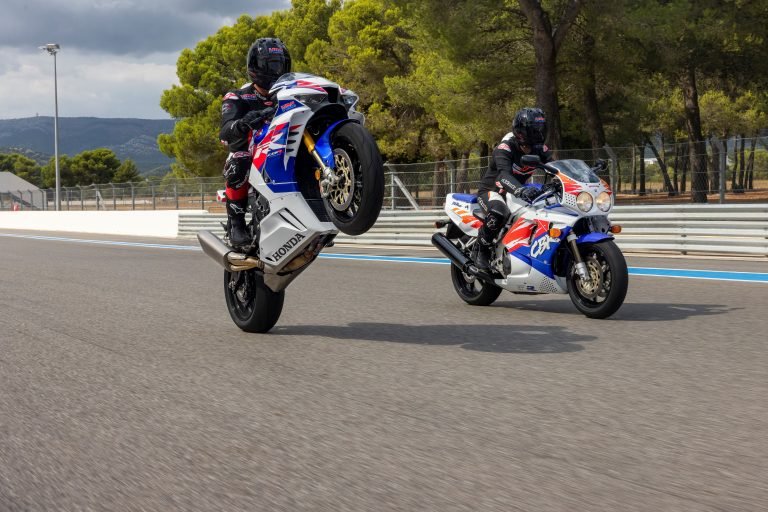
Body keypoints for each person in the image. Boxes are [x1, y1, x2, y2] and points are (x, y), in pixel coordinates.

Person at [219, 37, 291, 247]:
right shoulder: (238, 96)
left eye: (280, 64)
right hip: (252, 157)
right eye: (271, 65)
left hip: (283, 151)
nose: (276, 70)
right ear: (256, 67)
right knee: (238, 158)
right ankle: (237, 223)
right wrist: (243, 123)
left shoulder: (289, 95)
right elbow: (224, 133)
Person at [474, 107, 554, 270]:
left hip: (517, 192)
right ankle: (480, 249)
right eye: (534, 129)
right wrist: (520, 190)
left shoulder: (540, 149)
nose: (539, 133)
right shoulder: (505, 148)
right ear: (521, 132)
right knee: (498, 212)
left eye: (541, 128)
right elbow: (503, 176)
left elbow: (554, 168)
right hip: (493, 192)